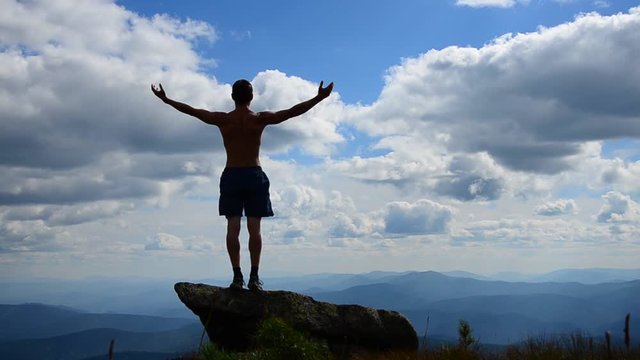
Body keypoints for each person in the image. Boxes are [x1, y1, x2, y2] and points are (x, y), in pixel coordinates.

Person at [151, 79, 334, 291]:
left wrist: (166, 100)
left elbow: (193, 111)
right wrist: (319, 98)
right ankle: (254, 277)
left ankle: (237, 277)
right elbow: (292, 112)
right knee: (254, 229)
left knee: (233, 227)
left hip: (232, 175)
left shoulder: (223, 120)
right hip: (254, 175)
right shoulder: (259, 119)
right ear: (252, 97)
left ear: (232, 97)